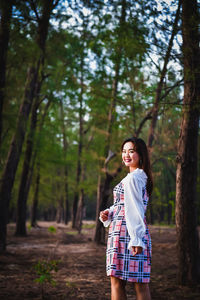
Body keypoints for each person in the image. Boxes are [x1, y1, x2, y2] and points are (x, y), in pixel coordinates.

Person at [99, 137, 153, 300]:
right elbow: (126, 204)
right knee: (140, 283)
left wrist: (136, 239)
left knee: (117, 283)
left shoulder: (133, 178)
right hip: (129, 231)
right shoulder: (139, 176)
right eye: (124, 151)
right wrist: (109, 212)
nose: (126, 155)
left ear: (140, 154)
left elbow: (135, 209)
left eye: (131, 151)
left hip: (126, 234)